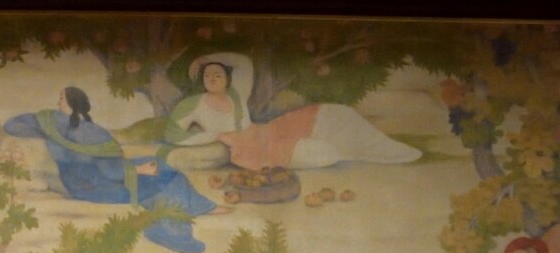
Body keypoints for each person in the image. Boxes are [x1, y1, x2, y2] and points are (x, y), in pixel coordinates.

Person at [2, 86, 221, 253]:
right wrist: (140, 170)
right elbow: (114, 173)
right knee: (169, 177)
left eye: (60, 98)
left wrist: (44, 128)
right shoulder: (94, 132)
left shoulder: (50, 124)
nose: (57, 101)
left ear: (68, 103)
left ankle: (200, 207)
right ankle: (171, 233)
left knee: (158, 163)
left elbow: (11, 125)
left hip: (77, 183)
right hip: (100, 186)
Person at [162, 53, 420, 169]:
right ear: (202, 80)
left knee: (336, 114)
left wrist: (206, 57)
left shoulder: (235, 94)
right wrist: (214, 137)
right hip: (249, 148)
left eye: (218, 73)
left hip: (268, 131)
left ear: (227, 79)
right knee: (323, 153)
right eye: (208, 74)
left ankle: (380, 147)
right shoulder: (192, 104)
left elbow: (243, 63)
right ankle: (350, 150)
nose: (213, 77)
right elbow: (173, 134)